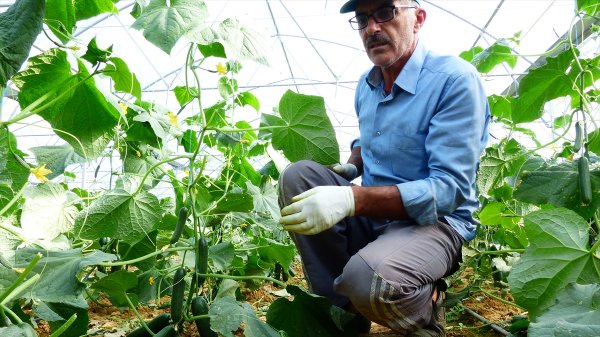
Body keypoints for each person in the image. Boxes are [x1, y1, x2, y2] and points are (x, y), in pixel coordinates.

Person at [277, 0, 490, 335]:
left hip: (435, 223)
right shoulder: (368, 84)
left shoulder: (454, 80)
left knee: (369, 280)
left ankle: (425, 311)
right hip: (374, 217)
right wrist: (349, 169)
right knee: (298, 177)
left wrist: (350, 200)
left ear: (418, 18)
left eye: (385, 13)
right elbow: (368, 138)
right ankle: (349, 316)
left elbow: (449, 189)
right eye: (362, 19)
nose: (372, 28)